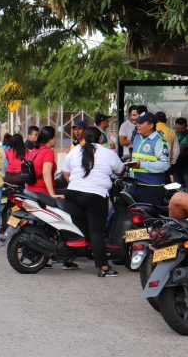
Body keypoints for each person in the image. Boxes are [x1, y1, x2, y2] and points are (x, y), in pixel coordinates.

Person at [61, 127, 125, 277]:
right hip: (95, 197)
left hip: (73, 193)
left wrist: (77, 184)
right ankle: (103, 267)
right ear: (100, 139)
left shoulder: (75, 150)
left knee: (75, 227)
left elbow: (65, 171)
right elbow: (121, 169)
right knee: (96, 232)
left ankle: (67, 260)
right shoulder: (108, 153)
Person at [126, 112, 169, 205]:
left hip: (151, 188)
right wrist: (129, 163)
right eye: (137, 123)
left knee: (149, 218)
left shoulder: (159, 141)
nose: (137, 125)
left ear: (151, 125)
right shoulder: (137, 138)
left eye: (141, 123)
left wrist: (142, 164)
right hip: (134, 186)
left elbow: (165, 165)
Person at [26, 126, 64, 200]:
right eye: (55, 137)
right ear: (50, 140)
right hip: (42, 191)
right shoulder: (48, 152)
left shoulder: (34, 150)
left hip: (29, 190)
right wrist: (52, 194)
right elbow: (46, 173)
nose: (56, 139)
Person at [155, 111, 180, 183]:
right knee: (165, 186)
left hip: (151, 164)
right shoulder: (172, 131)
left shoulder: (149, 129)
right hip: (165, 164)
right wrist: (171, 162)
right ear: (166, 120)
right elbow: (176, 150)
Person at [173, 117, 188, 186]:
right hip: (176, 166)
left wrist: (185, 153)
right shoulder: (173, 134)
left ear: (186, 126)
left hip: (187, 166)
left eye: (182, 128)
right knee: (177, 186)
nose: (180, 130)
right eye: (178, 128)